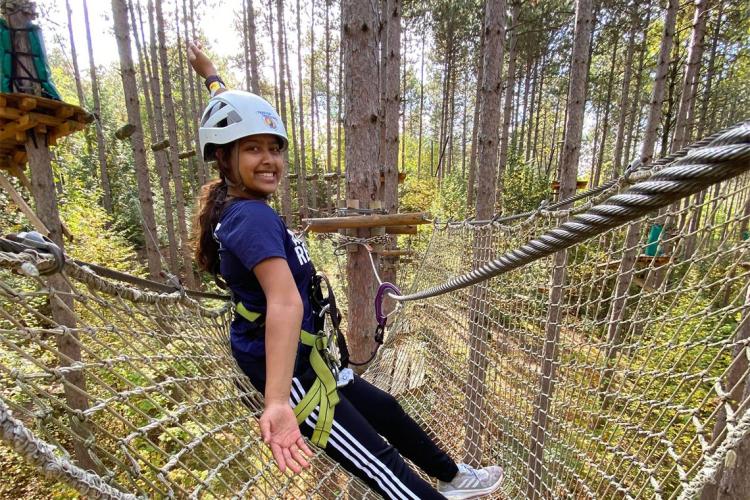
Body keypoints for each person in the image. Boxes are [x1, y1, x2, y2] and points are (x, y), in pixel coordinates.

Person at [189, 41, 503, 499]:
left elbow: (231, 113)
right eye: (252, 149)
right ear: (223, 157)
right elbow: (283, 300)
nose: (269, 160)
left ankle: (453, 478)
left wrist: (212, 76)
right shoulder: (250, 217)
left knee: (387, 409)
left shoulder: (240, 206)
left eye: (275, 148)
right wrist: (277, 400)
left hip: (311, 358)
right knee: (381, 465)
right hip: (290, 375)